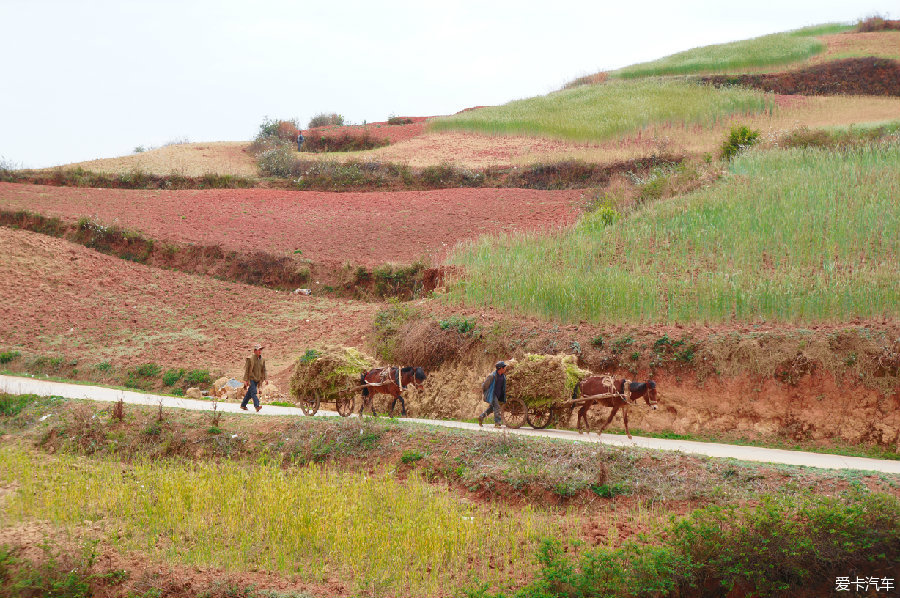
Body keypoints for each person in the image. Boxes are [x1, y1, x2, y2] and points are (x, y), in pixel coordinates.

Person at [478, 361, 507, 428]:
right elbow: (484, 386)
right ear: (500, 368)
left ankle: (481, 416)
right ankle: (497, 423)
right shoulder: (492, 376)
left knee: (491, 408)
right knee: (497, 407)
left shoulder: (503, 376)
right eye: (504, 367)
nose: (505, 369)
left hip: (498, 395)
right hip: (492, 394)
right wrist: (488, 393)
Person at [241, 344, 267, 412]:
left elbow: (264, 370)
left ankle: (243, 405)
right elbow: (247, 370)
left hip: (258, 379)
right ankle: (257, 406)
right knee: (254, 392)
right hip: (251, 378)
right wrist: (246, 380)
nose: (260, 351)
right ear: (255, 351)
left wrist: (265, 378)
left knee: (249, 393)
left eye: (261, 350)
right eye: (259, 350)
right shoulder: (250, 359)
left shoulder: (262, 360)